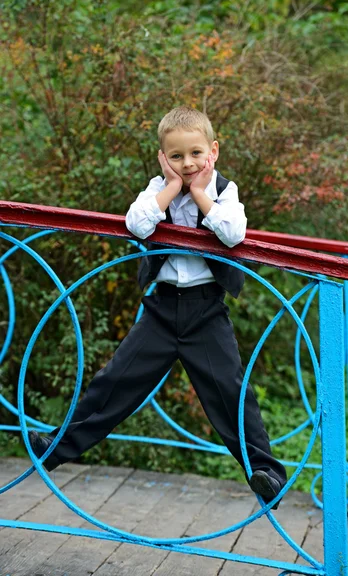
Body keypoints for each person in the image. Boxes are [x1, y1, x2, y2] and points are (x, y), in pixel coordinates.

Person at [28, 106, 287, 509]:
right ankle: (58, 447)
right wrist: (168, 187)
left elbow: (235, 233)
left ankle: (268, 473)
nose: (188, 164)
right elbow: (138, 224)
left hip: (206, 311)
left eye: (196, 154)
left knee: (230, 393)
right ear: (163, 157)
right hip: (161, 311)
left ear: (213, 151)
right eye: (177, 156)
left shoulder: (223, 191)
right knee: (114, 382)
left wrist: (200, 195)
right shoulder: (156, 188)